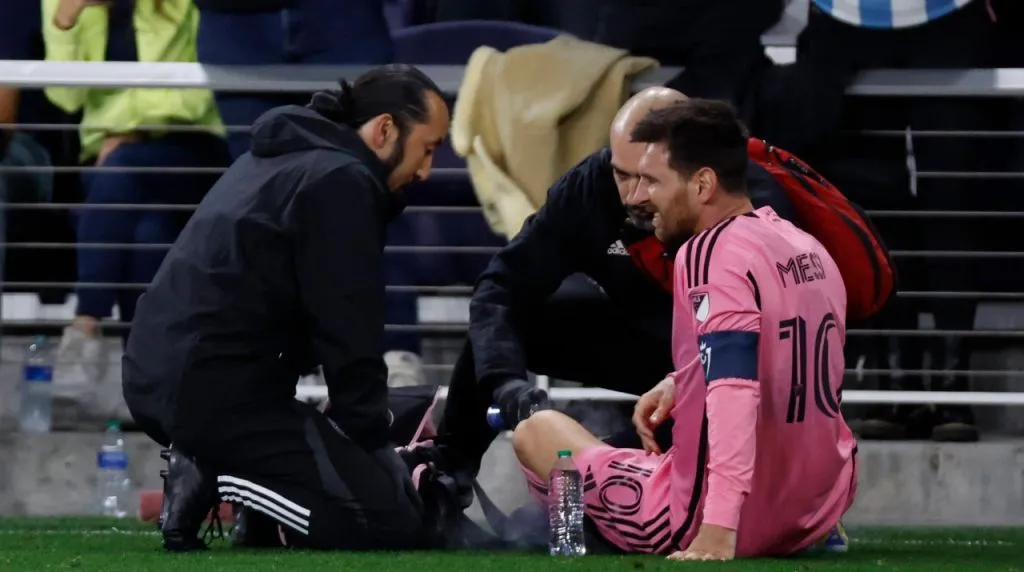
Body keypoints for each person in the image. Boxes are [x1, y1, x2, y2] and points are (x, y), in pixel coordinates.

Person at [121, 64, 451, 552]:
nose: (426, 170)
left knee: (383, 504)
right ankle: (216, 471)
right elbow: (347, 325)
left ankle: (232, 479)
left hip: (181, 376)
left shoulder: (285, 158)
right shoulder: (339, 179)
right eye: (427, 148)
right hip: (212, 393)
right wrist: (371, 442)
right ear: (385, 129)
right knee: (391, 525)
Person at [512, 99, 857, 559]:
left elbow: (735, 395)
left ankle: (584, 531)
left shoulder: (708, 253)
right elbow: (795, 362)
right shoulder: (805, 245)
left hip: (707, 520)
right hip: (813, 511)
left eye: (652, 181)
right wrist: (681, 380)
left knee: (536, 431)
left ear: (703, 183)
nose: (635, 197)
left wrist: (716, 531)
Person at [436, 86, 797, 476]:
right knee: (500, 331)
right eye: (622, 175)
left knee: (599, 489)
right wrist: (505, 386)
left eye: (649, 178)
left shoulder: (754, 211)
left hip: (733, 363)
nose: (633, 195)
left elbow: (778, 354)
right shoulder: (591, 187)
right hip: (649, 342)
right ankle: (445, 474)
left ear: (699, 176)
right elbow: (501, 289)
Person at [42, 0, 230, 401]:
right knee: (146, 232)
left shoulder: (180, 4)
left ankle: (86, 322)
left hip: (190, 147)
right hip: (114, 161)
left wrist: (131, 128)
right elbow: (66, 97)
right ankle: (146, 381)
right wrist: (64, 20)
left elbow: (200, 94)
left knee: (122, 171)